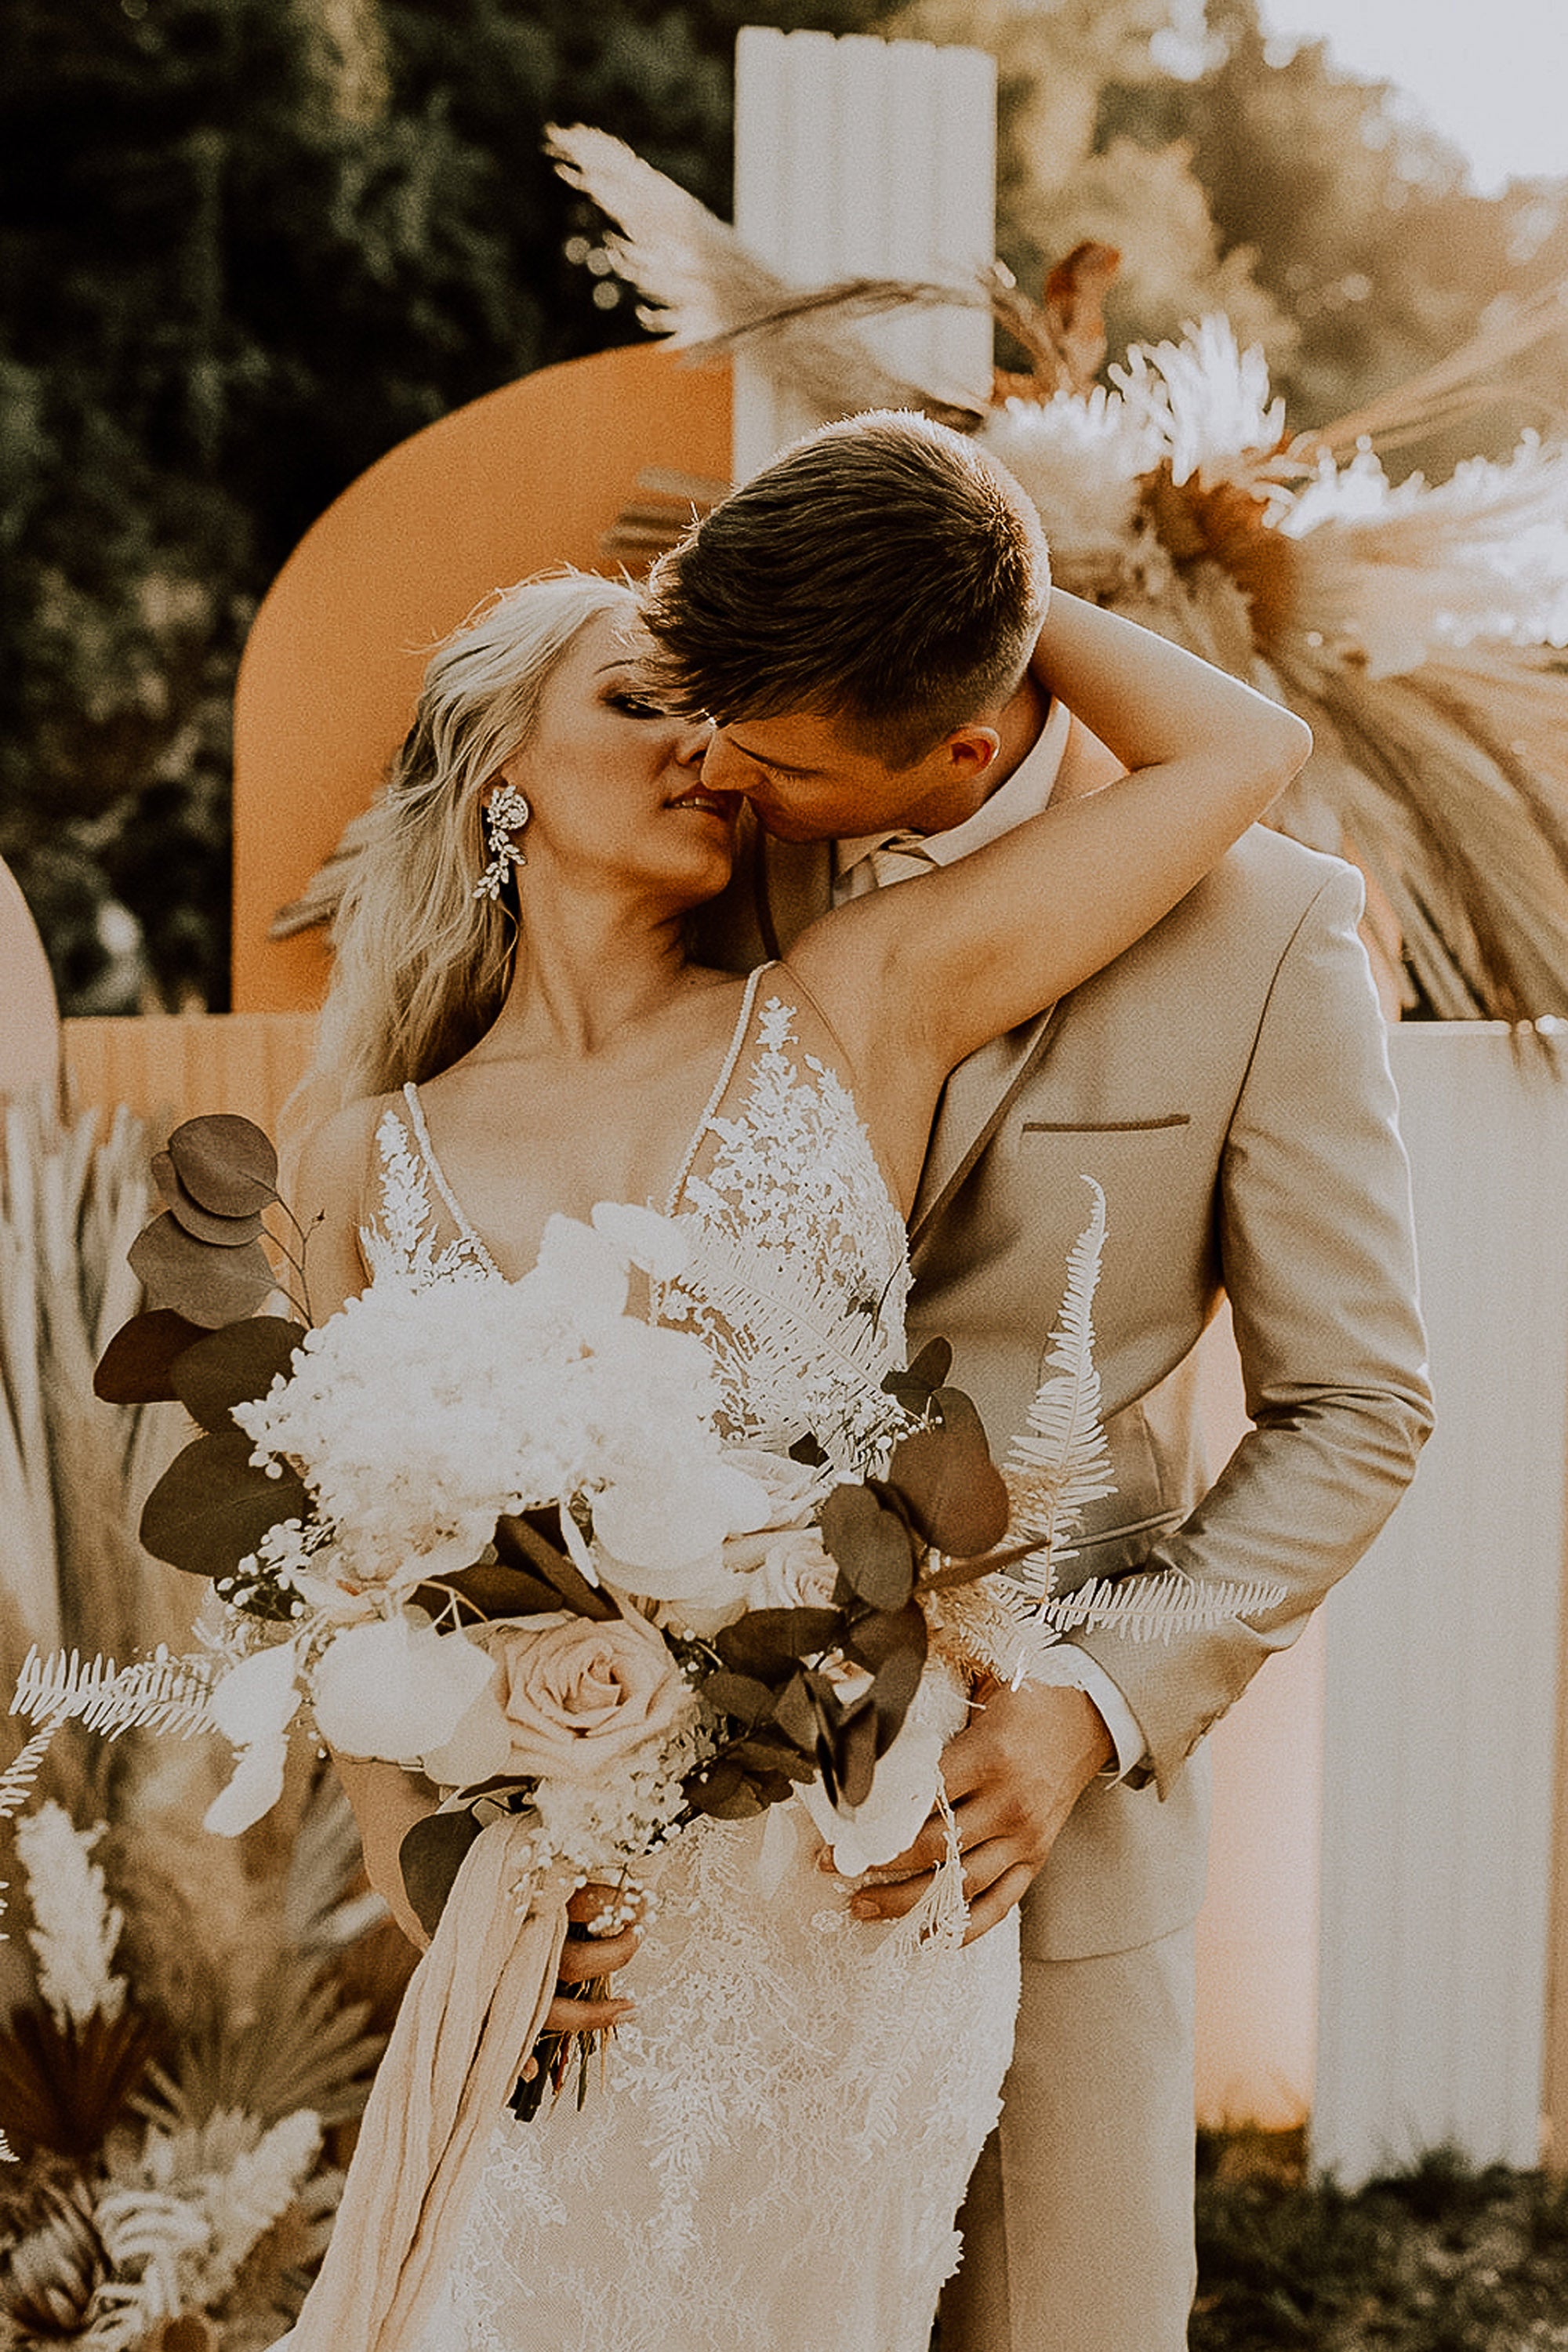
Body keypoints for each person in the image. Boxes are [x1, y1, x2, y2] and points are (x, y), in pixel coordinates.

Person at [289, 420, 1311, 2352]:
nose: (706, 742)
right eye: (648, 694)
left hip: (846, 1881)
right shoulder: (362, 1155)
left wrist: (959, 598)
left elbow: (1239, 757)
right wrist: (423, 1878)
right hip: (559, 1909)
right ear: (498, 773)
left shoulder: (857, 999)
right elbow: (352, 1581)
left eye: (728, 706)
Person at [642, 410, 1436, 2352]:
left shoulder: (1265, 934)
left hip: (1038, 1845)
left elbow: (1359, 1412)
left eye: (781, 755)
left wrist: (1098, 1704)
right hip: (683, 1835)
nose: (716, 772)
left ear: (964, 750)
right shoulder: (682, 865)